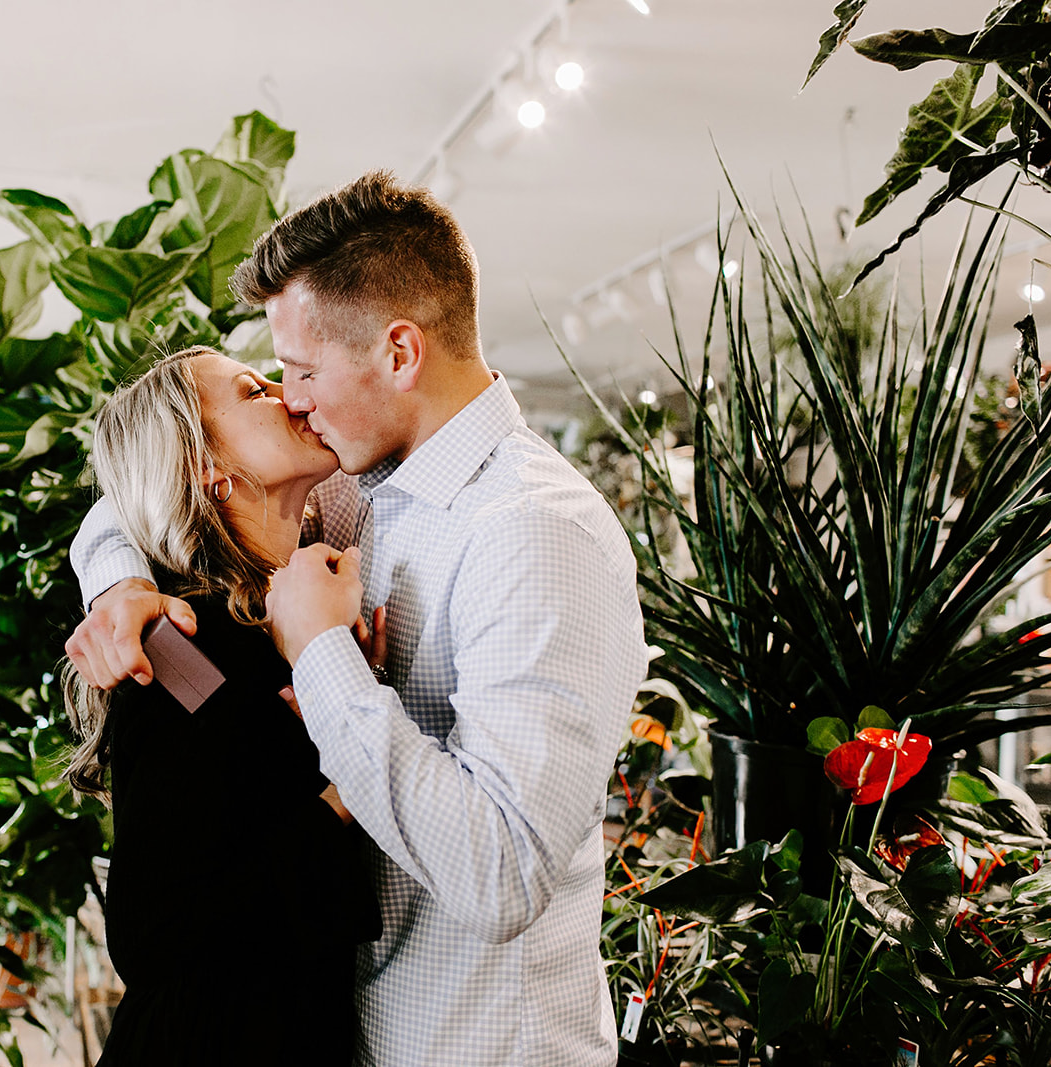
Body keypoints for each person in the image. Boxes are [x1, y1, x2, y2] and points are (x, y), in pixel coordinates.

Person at [67, 171, 647, 1067]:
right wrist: (117, 587)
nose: (293, 397)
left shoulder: (533, 533)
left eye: (299, 371)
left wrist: (328, 660)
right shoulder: (353, 492)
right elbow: (146, 487)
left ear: (400, 353)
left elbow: (501, 877)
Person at [62, 347, 380, 1067]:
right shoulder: (180, 645)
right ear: (205, 465)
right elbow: (150, 931)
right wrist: (346, 793)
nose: (288, 393)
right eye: (253, 389)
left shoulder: (275, 615)